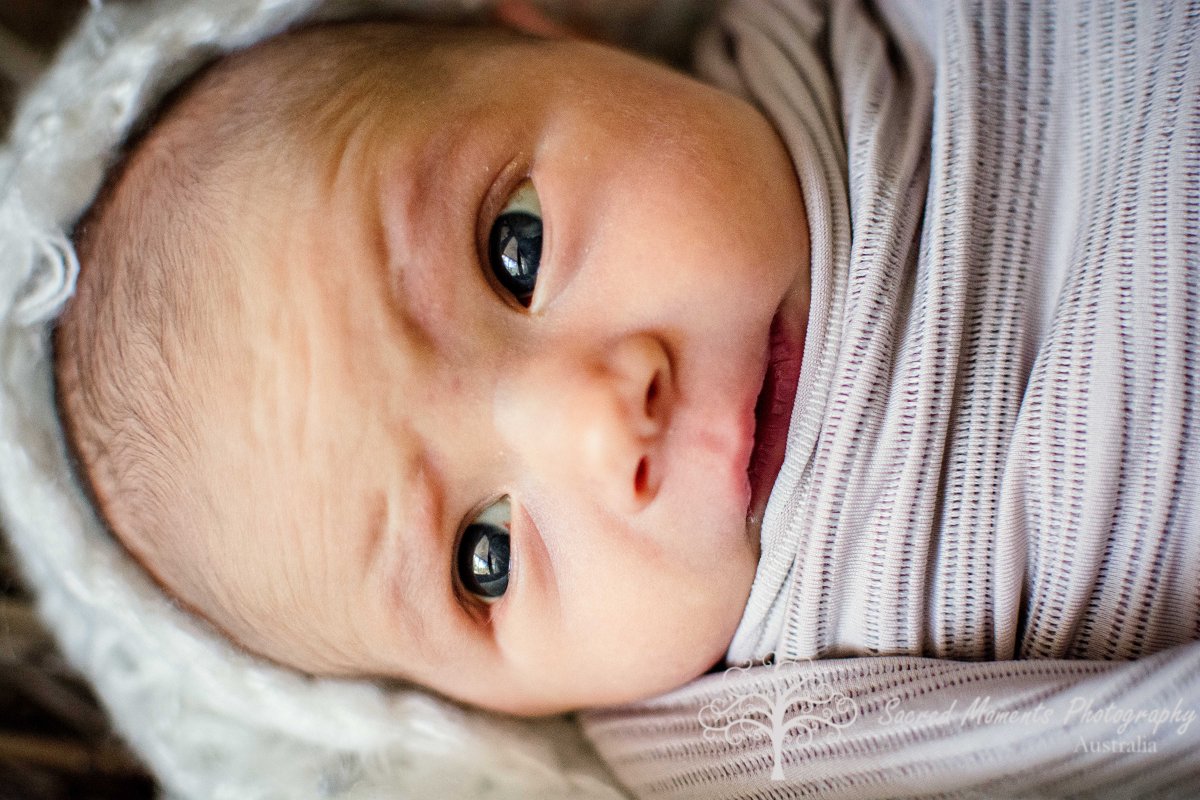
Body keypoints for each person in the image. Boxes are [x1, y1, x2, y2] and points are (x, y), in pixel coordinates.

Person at [25, 0, 1200, 795]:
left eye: (515, 249)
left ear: (559, 32)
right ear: (495, 710)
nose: (596, 425)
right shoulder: (765, 755)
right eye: (483, 555)